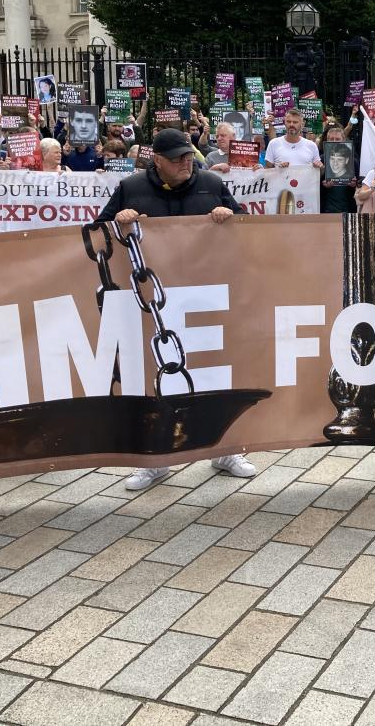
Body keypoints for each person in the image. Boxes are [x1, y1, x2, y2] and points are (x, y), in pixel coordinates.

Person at [95, 128, 257, 488]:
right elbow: (98, 231)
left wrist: (229, 216)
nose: (186, 163)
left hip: (205, 296)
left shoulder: (211, 182)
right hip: (153, 304)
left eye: (188, 156)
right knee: (156, 376)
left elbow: (247, 225)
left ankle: (224, 450)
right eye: (177, 158)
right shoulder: (132, 187)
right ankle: (157, 458)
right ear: (157, 161)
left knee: (214, 374)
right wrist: (117, 220)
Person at [320, 127, 357, 213]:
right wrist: (323, 185)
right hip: (326, 209)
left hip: (348, 208)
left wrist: (354, 185)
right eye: (331, 139)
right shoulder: (321, 159)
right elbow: (314, 186)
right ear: (327, 140)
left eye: (337, 139)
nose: (334, 141)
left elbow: (361, 183)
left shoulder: (353, 161)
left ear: (343, 140)